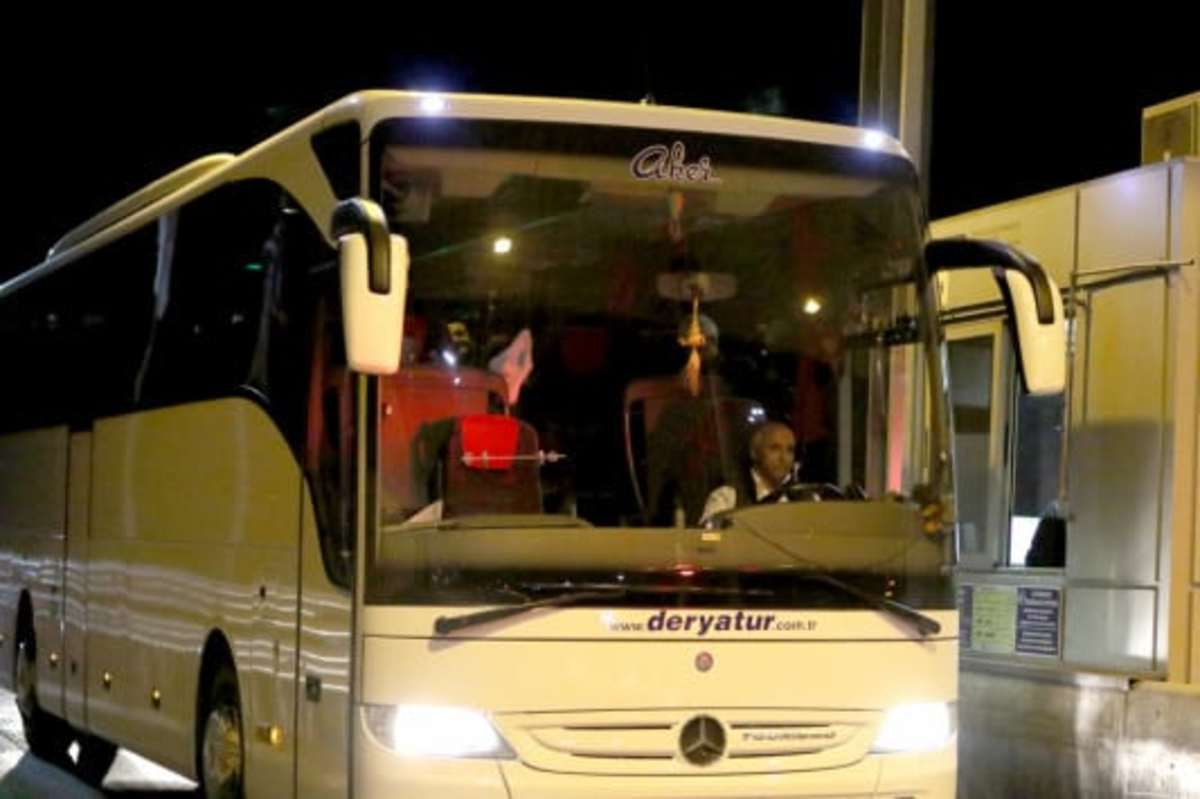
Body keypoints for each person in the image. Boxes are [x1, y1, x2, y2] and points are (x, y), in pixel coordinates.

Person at [699, 421, 797, 525]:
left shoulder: (799, 497)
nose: (783, 458)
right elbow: (707, 534)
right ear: (754, 453)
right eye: (775, 449)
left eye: (789, 450)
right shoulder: (728, 497)